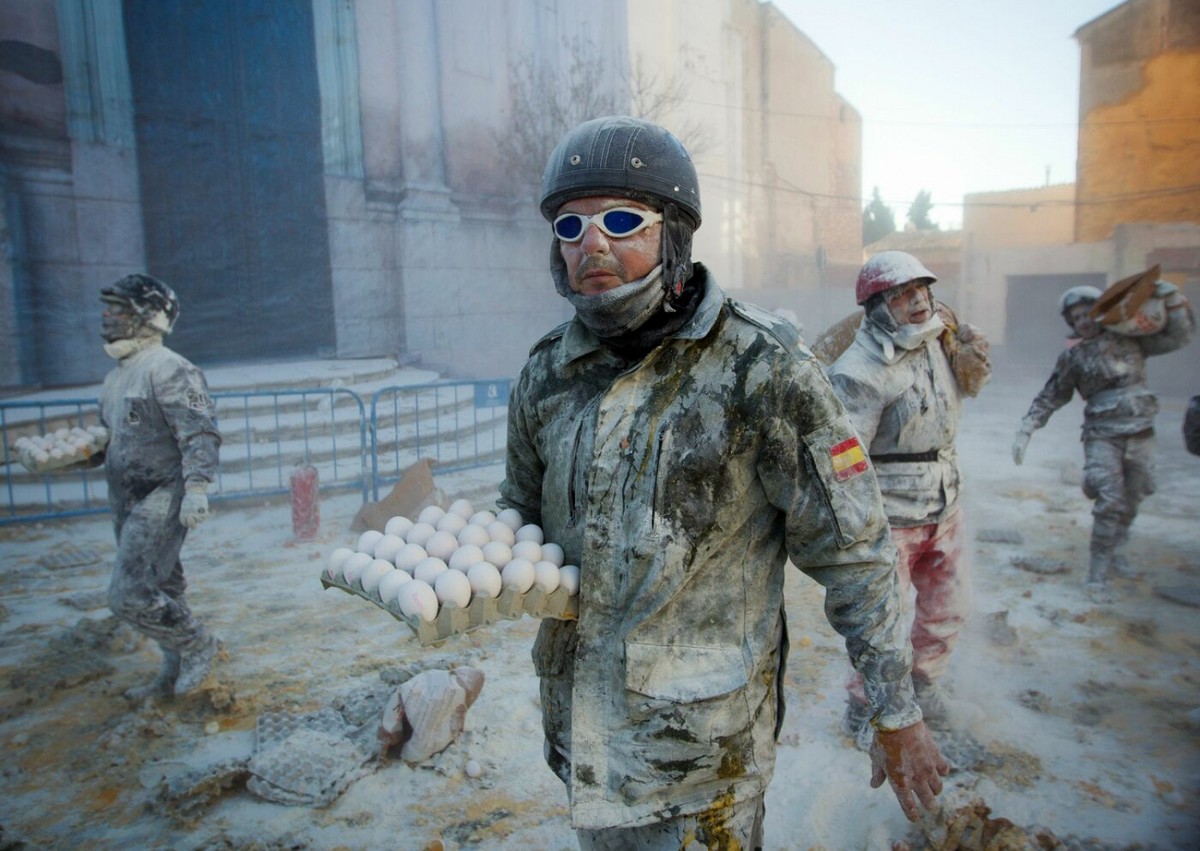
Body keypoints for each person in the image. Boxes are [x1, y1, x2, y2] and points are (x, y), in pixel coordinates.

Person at [498, 116, 946, 849]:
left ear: (674, 232)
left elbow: (856, 550)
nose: (592, 245)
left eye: (619, 220)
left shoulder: (759, 368)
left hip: (702, 761)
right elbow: (518, 509)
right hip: (586, 743)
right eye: (570, 226)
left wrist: (894, 710)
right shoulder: (550, 371)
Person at [826, 252, 990, 744]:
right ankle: (866, 700)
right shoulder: (859, 370)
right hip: (890, 516)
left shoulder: (942, 339)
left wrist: (971, 354)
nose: (918, 301)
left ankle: (922, 684)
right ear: (876, 307)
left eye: (922, 290)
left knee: (950, 606)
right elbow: (844, 458)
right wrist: (854, 523)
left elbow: (972, 382)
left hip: (945, 502)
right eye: (902, 294)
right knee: (884, 622)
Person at [56, 275, 222, 700]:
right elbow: (112, 438)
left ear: (148, 316)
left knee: (129, 594)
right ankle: (175, 665)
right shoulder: (117, 377)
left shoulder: (170, 369)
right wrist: (80, 454)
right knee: (164, 586)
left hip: (162, 495)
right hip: (126, 497)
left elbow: (199, 431)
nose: (108, 317)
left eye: (120, 309)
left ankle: (198, 644)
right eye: (107, 308)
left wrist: (197, 486)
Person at [1012, 281, 1194, 601]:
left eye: (1089, 313)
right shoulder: (1073, 357)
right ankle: (1097, 575)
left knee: (1135, 495)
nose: (1083, 321)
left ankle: (1115, 551)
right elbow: (1051, 395)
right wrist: (1027, 428)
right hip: (1102, 435)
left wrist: (1173, 299)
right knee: (1110, 499)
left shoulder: (1133, 340)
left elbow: (1179, 336)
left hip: (1141, 431)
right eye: (1077, 317)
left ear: (1102, 314)